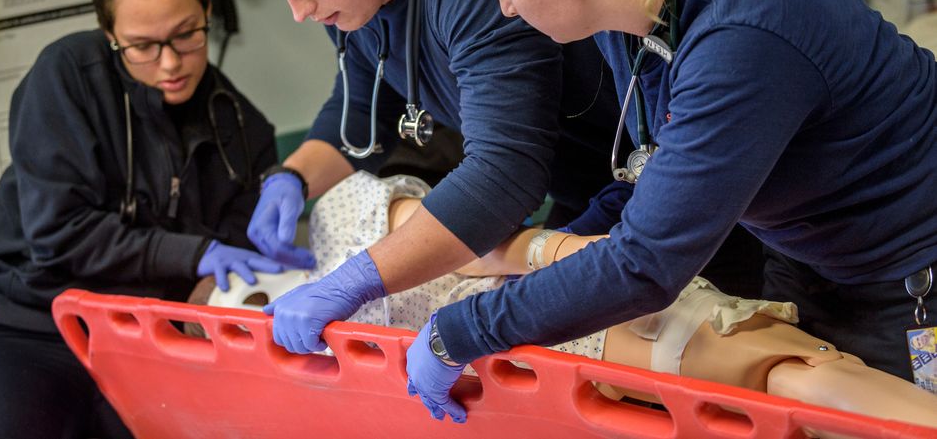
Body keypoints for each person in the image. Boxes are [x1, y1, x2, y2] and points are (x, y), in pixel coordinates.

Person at [402, 0, 937, 421]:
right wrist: (548, 259)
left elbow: (645, 264)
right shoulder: (637, 15)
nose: (504, 9)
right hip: (809, 257)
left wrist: (460, 329)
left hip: (911, 275)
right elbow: (655, 171)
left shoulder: (742, 36)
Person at [218, 0, 651, 354]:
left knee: (685, 338)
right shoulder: (357, 0)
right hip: (583, 198)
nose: (299, 10)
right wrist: (291, 178)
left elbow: (503, 174)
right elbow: (362, 109)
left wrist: (355, 282)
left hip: (657, 181)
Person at [0, 0, 283, 439]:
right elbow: (60, 237)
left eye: (186, 34)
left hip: (145, 345)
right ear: (110, 36)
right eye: (142, 46)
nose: (170, 63)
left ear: (208, 11)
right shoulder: (66, 78)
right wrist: (193, 253)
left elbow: (229, 266)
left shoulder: (241, 128)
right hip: (27, 325)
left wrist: (233, 281)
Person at [192, 170, 937, 429]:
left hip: (580, 306)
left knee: (767, 369)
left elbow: (490, 247)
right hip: (550, 357)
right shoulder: (285, 338)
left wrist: (591, 260)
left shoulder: (343, 213)